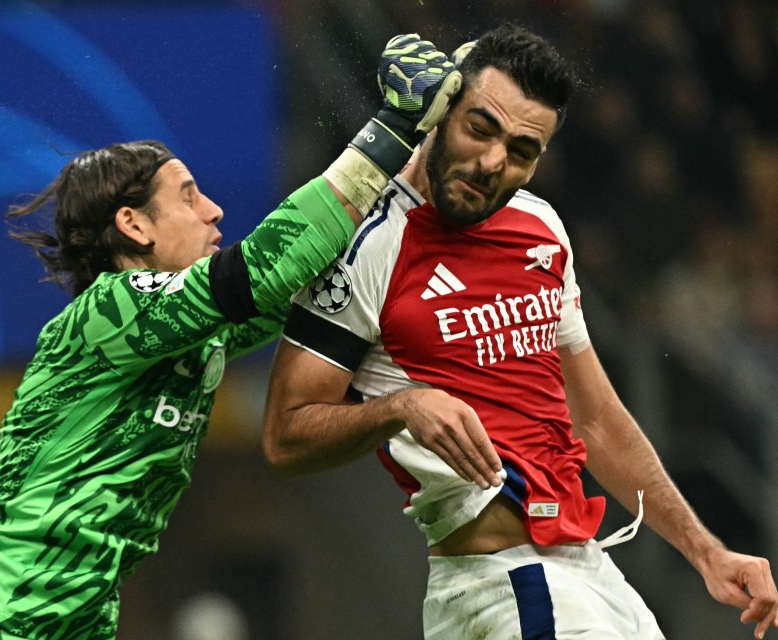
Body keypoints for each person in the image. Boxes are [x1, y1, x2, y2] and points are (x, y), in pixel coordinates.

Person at [0, 35, 464, 640]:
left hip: (67, 625)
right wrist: (392, 121)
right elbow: (262, 269)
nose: (213, 210)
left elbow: (312, 285)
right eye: (188, 197)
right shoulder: (109, 311)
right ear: (133, 225)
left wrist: (432, 149)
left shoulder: (190, 335)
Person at [262, 23, 778, 640]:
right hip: (505, 582)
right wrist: (402, 407)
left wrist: (706, 551)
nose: (492, 162)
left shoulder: (541, 228)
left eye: (522, 150)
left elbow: (596, 420)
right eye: (480, 128)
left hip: (589, 571)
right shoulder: (367, 241)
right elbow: (285, 435)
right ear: (440, 110)